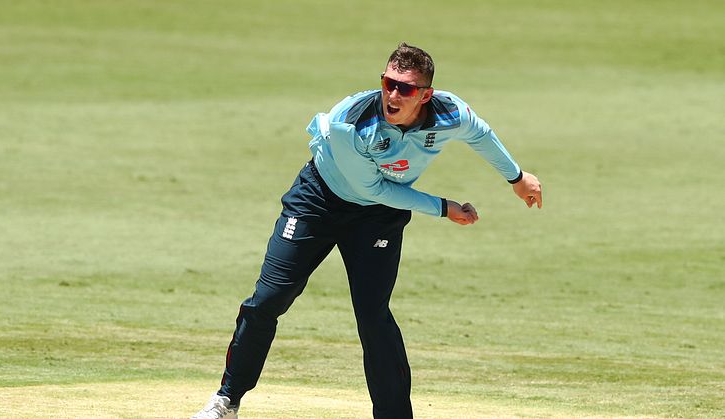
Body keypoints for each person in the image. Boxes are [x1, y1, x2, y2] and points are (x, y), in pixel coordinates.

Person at [192, 42, 542, 419]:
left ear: (425, 95)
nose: (392, 94)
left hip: (379, 217)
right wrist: (444, 208)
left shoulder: (450, 112)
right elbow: (371, 188)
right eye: (388, 82)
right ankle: (227, 400)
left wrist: (517, 177)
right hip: (320, 201)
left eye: (405, 88)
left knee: (373, 315)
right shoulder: (351, 120)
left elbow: (482, 136)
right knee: (268, 300)